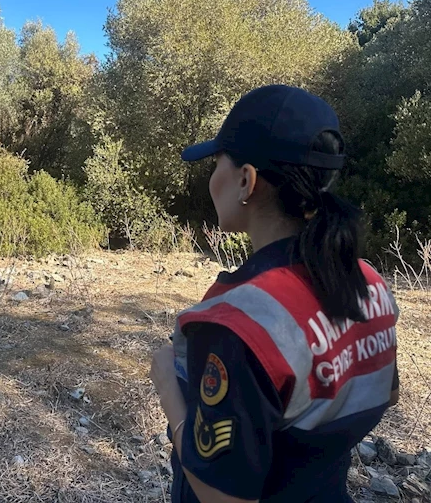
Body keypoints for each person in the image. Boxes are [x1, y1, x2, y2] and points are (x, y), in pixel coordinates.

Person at [149, 84, 400, 503]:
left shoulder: (241, 322)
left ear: (246, 180)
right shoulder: (368, 281)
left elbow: (221, 496)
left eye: (216, 163)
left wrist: (167, 390)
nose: (212, 178)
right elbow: (387, 393)